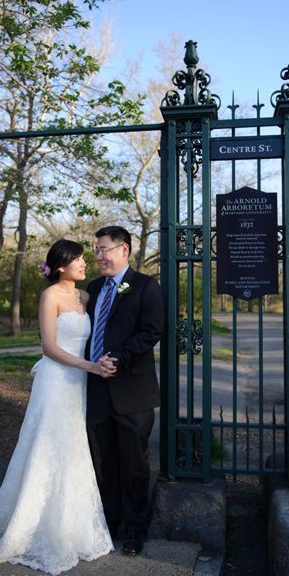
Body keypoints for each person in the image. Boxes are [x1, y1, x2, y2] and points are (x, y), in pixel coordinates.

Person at [0, 239, 115, 574]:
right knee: (46, 447)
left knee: (72, 449)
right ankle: (31, 522)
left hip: (78, 386)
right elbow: (48, 347)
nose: (84, 263)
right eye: (78, 259)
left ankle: (70, 523)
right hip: (56, 381)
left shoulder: (85, 297)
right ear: (61, 266)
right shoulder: (51, 296)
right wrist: (90, 366)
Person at [86, 225, 164, 557]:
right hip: (97, 390)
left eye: (104, 249)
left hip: (132, 391)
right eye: (96, 250)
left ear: (124, 250)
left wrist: (118, 357)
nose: (99, 256)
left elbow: (152, 331)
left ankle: (135, 530)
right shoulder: (92, 288)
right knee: (103, 462)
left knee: (134, 463)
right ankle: (109, 523)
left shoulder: (145, 286)